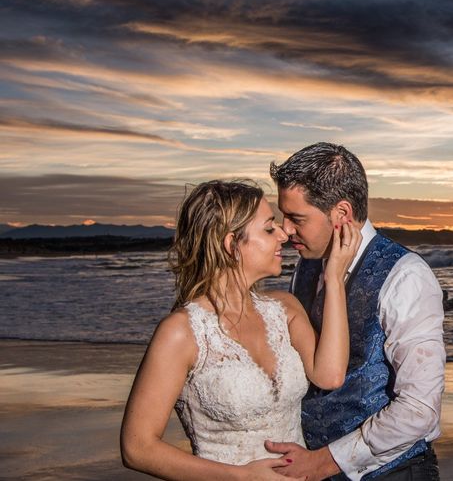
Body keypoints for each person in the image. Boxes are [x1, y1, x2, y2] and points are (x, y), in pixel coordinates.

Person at [120, 179, 361, 480]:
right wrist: (241, 476)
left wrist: (335, 278)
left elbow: (330, 375)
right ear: (232, 244)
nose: (284, 235)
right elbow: (137, 448)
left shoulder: (285, 309)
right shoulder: (182, 332)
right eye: (269, 228)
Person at [265, 143, 445, 481]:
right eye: (283, 216)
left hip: (393, 474)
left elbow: (419, 409)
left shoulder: (405, 276)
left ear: (341, 214)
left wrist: (323, 462)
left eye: (296, 218)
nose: (286, 230)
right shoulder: (303, 268)